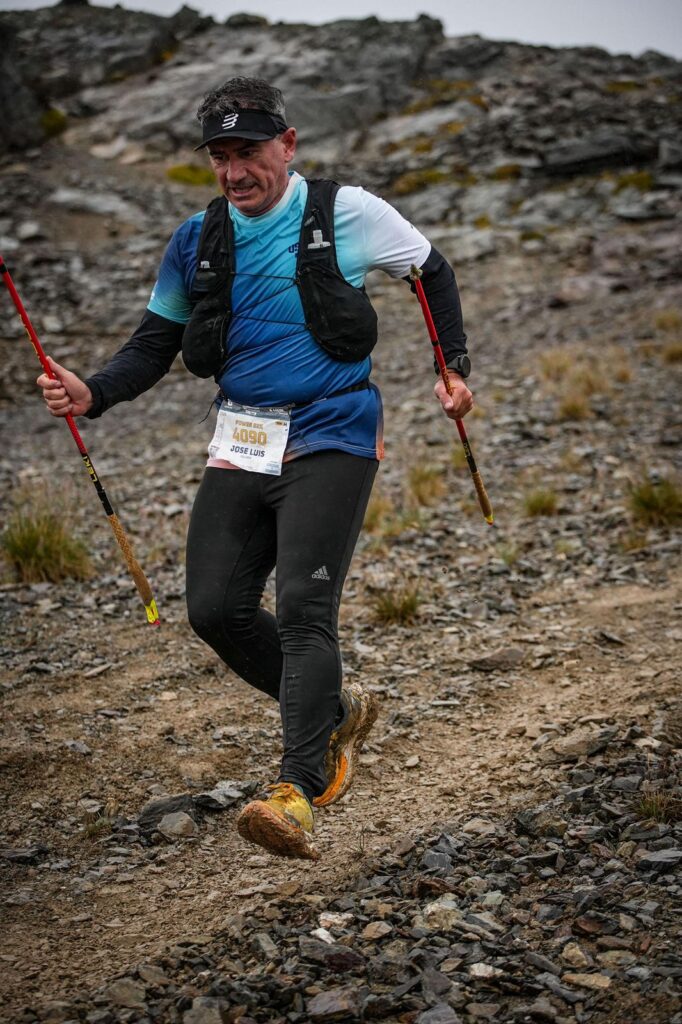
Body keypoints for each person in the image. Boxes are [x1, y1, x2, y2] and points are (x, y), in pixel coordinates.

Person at [37, 77, 473, 861]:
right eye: (222, 156)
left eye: (250, 152)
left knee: (306, 614)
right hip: (243, 439)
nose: (236, 171)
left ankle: (297, 791)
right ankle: (334, 710)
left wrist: (455, 366)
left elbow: (430, 271)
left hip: (335, 432)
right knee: (214, 610)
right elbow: (154, 344)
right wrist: (91, 391)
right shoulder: (196, 238)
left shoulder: (349, 213)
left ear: (288, 144)